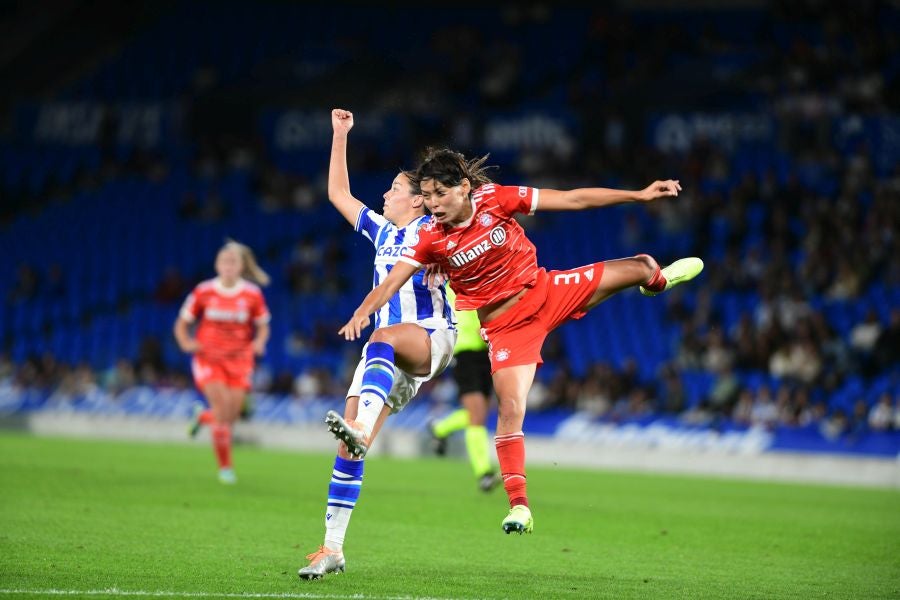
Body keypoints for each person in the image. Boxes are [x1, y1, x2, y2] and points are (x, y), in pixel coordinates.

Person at [339, 147, 704, 536]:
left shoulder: (495, 199)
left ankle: (657, 282)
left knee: (643, 266)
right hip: (506, 329)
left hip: (545, 291)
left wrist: (639, 195)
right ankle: (520, 508)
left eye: (439, 194)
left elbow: (573, 199)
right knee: (510, 408)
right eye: (426, 197)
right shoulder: (429, 237)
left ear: (463, 188)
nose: (432, 205)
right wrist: (364, 310)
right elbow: (392, 279)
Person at [298, 109, 457, 580]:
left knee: (381, 338)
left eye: (393, 188)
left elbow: (468, 242)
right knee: (350, 449)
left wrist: (443, 262)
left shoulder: (436, 230)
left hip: (431, 336)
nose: (384, 194)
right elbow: (337, 193)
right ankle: (332, 549)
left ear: (417, 201)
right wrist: (339, 135)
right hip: (385, 360)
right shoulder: (383, 232)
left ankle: (361, 427)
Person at [173, 240, 271, 485]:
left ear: (241, 266)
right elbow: (182, 323)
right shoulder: (203, 291)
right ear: (217, 265)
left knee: (230, 415)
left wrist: (259, 342)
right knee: (222, 410)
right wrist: (186, 343)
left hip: (240, 359)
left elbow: (263, 326)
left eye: (232, 262)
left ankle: (202, 417)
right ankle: (225, 468)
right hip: (209, 357)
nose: (227, 265)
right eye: (223, 261)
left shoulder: (251, 293)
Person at [428, 287, 499, 492]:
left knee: (479, 414)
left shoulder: (478, 279)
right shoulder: (448, 284)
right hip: (464, 351)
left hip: (485, 352)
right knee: (476, 414)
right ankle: (484, 473)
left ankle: (441, 428)